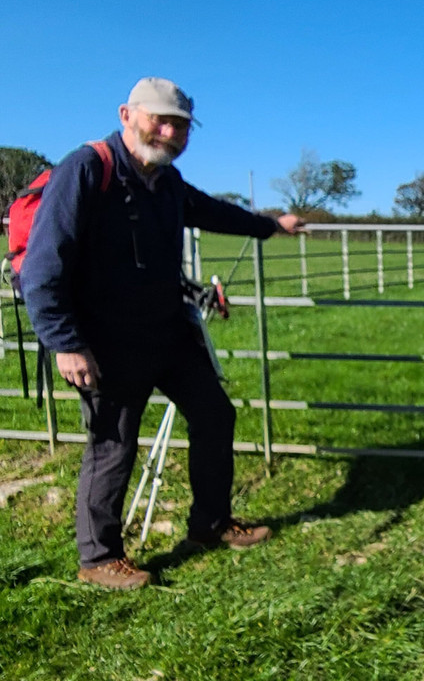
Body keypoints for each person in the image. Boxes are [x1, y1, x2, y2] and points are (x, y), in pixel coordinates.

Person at [20, 77, 304, 589]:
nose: (171, 132)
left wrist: (270, 226)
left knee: (215, 414)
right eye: (160, 120)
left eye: (182, 126)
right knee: (113, 444)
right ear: (127, 114)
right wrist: (65, 342)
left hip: (165, 333)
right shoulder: (87, 169)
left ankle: (210, 525)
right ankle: (99, 558)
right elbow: (42, 267)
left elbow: (212, 211)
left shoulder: (166, 181)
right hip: (103, 341)